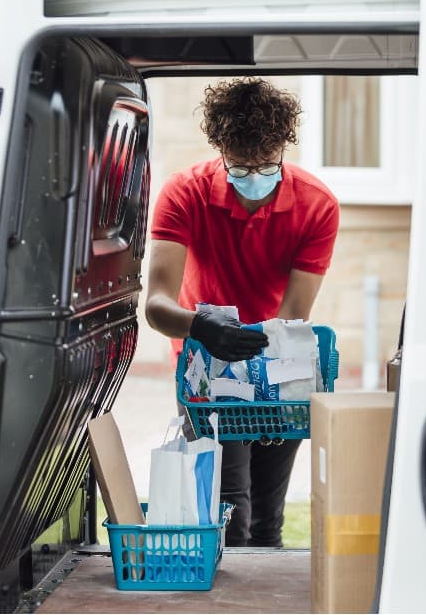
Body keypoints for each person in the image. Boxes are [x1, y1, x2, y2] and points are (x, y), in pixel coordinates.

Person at [145, 77, 339, 547]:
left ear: (283, 149)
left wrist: (269, 374)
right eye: (241, 165)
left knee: (269, 520)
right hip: (206, 369)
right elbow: (156, 304)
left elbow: (292, 316)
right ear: (220, 149)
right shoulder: (183, 194)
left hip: (279, 366)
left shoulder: (317, 206)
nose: (254, 177)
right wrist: (199, 325)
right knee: (227, 511)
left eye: (266, 164)